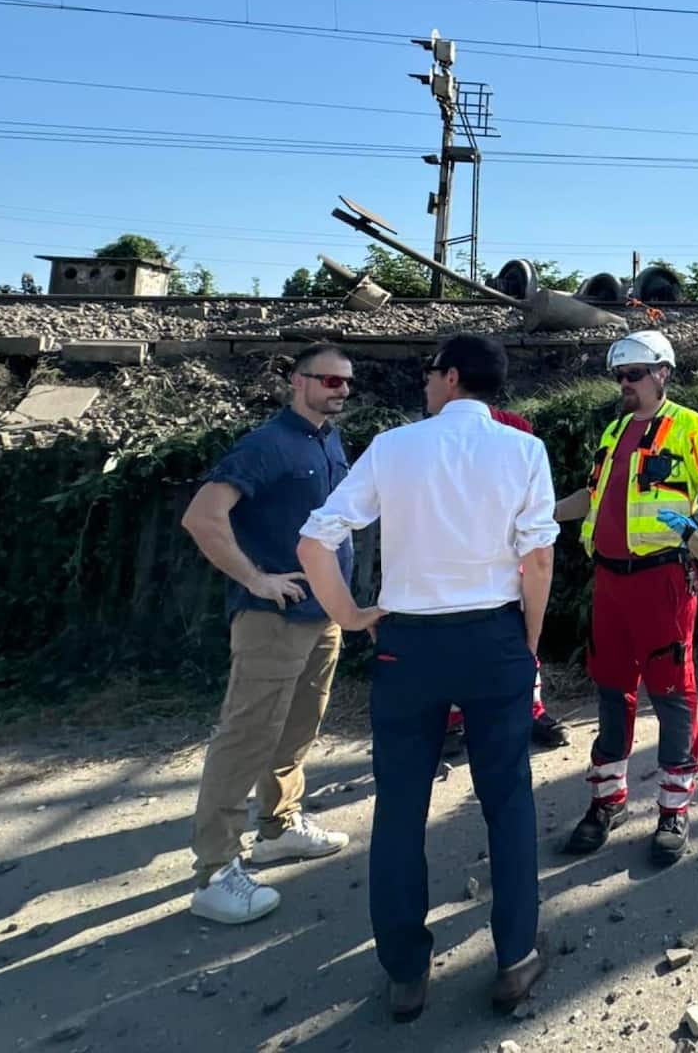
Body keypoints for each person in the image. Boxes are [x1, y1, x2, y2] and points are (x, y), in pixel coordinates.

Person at [297, 333, 558, 1022]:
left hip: (406, 646)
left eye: (429, 374)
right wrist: (525, 642)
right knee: (507, 801)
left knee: (400, 808)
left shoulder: (393, 447)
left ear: (449, 377)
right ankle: (514, 958)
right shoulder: (524, 451)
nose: (424, 385)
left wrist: (351, 615)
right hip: (494, 638)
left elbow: (314, 539)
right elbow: (537, 562)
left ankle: (407, 973)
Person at [180, 343, 357, 925]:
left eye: (346, 383)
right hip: (273, 621)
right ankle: (214, 871)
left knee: (298, 728)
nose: (339, 390)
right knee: (247, 736)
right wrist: (255, 579)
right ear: (297, 383)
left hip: (321, 614)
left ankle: (278, 827)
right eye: (328, 380)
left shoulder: (327, 440)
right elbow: (203, 516)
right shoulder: (265, 445)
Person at [551, 330, 698, 866]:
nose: (624, 384)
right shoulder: (612, 432)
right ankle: (607, 802)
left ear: (662, 373)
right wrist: (536, 510)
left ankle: (674, 809)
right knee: (611, 688)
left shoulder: (689, 427)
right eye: (619, 376)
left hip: (663, 581)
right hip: (610, 581)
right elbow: (592, 496)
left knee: (673, 693)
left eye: (633, 374)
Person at [440, 404, 570, 752]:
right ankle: (453, 716)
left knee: (522, 637)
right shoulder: (440, 439)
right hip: (456, 559)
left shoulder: (516, 431)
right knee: (455, 639)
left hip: (511, 557)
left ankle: (530, 709)